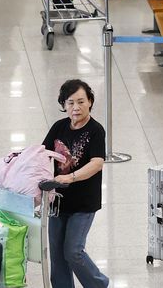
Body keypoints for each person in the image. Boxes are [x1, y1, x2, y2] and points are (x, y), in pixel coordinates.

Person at [42, 78, 108, 287]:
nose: (76, 108)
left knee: (73, 251)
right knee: (57, 255)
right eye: (70, 103)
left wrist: (70, 177)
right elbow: (42, 154)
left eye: (81, 101)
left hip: (83, 204)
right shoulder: (59, 127)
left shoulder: (96, 130)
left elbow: (97, 163)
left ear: (90, 101)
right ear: (64, 105)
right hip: (58, 203)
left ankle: (99, 284)